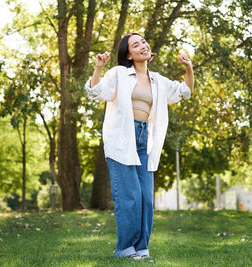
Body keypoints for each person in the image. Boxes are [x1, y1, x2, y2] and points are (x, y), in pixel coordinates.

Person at [85, 32, 194, 260]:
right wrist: (98, 68)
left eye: (144, 41)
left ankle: (141, 248)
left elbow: (185, 91)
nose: (143, 45)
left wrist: (188, 68)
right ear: (129, 54)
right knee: (129, 196)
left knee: (145, 196)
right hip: (122, 138)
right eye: (136, 44)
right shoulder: (119, 74)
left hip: (146, 140)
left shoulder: (158, 80)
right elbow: (95, 91)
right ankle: (124, 249)